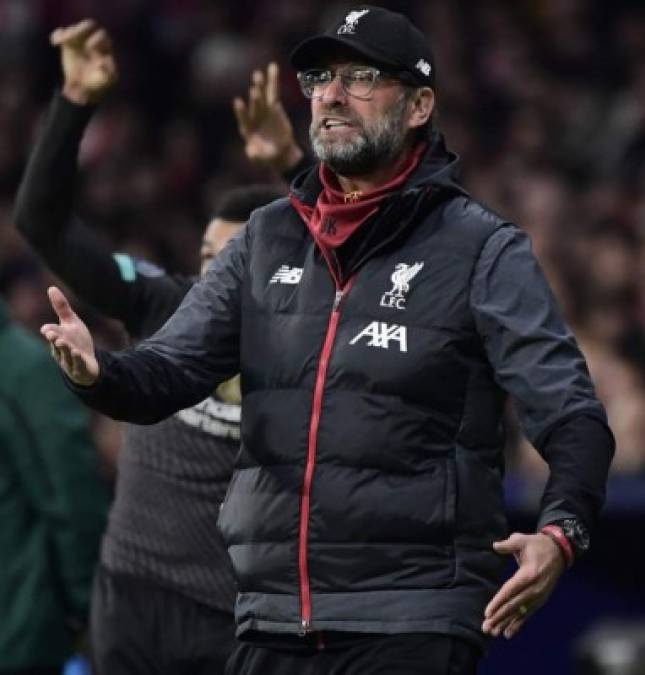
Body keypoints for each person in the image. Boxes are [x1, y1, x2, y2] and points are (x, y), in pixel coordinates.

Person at [40, 6, 615, 675]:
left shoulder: (481, 249)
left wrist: (559, 532)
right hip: (271, 616)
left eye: (362, 76)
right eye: (319, 78)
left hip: (411, 616)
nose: (332, 94)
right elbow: (166, 371)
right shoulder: (263, 238)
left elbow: (571, 414)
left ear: (419, 103)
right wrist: (96, 371)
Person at [14, 20, 295, 675]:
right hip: (132, 595)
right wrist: (75, 102)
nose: (211, 277)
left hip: (240, 618)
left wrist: (295, 167)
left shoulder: (309, 342)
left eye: (230, 261)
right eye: (204, 258)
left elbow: (384, 264)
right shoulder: (164, 303)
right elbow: (41, 223)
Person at [0, 297, 109, 675]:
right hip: (22, 635)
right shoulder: (22, 369)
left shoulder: (21, 370)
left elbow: (71, 498)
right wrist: (88, 606)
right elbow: (72, 499)